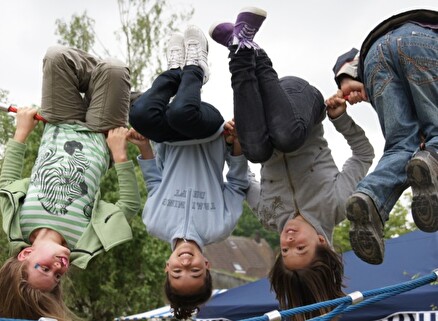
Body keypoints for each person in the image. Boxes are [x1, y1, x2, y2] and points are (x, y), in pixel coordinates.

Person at [209, 7, 374, 320]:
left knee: (257, 150)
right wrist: (340, 119)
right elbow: (364, 154)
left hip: (260, 115)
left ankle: (240, 48)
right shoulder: (337, 205)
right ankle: (254, 51)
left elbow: (243, 183)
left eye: (285, 251)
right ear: (323, 242)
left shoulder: (271, 216)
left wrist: (237, 148)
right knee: (287, 137)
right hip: (300, 102)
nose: (289, 241)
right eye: (301, 248)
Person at [0, 45, 141, 321]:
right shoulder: (83, 243)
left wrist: (21, 132)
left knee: (56, 57)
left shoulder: (17, 225)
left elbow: (6, 181)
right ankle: (107, 89)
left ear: (26, 254)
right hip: (99, 134)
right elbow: (129, 207)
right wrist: (120, 155)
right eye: (57, 278)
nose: (58, 269)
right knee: (114, 69)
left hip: (60, 122)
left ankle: (105, 90)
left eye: (44, 269)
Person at [129, 25, 249, 320]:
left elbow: (154, 180)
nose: (186, 263)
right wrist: (236, 145)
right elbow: (236, 184)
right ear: (206, 266)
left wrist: (145, 147)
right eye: (193, 271)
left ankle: (174, 71)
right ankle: (196, 66)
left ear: (167, 267)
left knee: (141, 115)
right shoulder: (219, 227)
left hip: (168, 138)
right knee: (182, 112)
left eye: (178, 271)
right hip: (207, 132)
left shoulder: (155, 223)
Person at [332, 9, 438, 265]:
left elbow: (347, 57)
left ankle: (369, 195)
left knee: (401, 148)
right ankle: (431, 159)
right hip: (423, 43)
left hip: (374, 55)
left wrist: (346, 78)